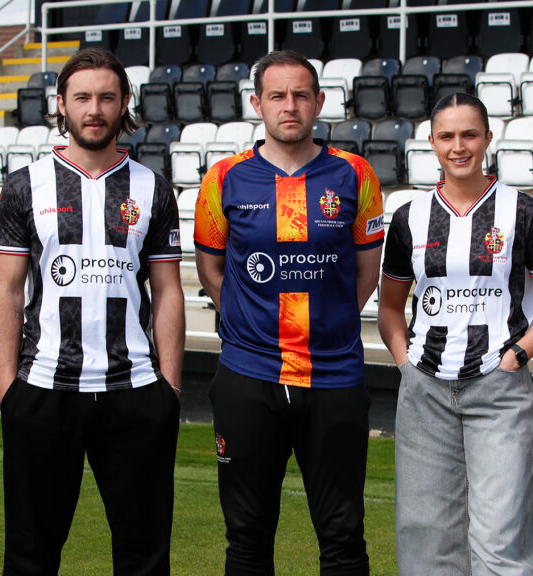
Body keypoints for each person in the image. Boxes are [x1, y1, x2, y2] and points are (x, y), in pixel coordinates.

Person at [0, 47, 184, 576]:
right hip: (45, 390)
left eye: (106, 97)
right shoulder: (24, 186)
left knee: (145, 557)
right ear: (61, 105)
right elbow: (7, 291)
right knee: (30, 554)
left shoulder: (153, 187)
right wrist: (10, 388)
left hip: (136, 391)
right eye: (82, 97)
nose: (94, 108)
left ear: (124, 104)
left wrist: (169, 387)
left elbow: (168, 291)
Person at [194, 49, 384, 576]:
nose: (290, 105)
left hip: (334, 375)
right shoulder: (224, 179)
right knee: (247, 535)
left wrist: (328, 325)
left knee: (343, 533)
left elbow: (365, 274)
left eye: (301, 94)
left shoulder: (355, 174)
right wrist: (250, 325)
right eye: (277, 95)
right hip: (248, 377)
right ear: (257, 103)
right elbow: (212, 272)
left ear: (319, 102)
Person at [377, 93, 533, 576]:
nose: (458, 146)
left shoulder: (523, 212)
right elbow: (389, 306)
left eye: (469, 134)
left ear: (488, 138)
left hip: (499, 389)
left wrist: (515, 356)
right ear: (431, 142)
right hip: (425, 389)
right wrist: (406, 363)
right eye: (447, 136)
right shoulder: (409, 217)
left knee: (502, 537)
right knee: (425, 536)